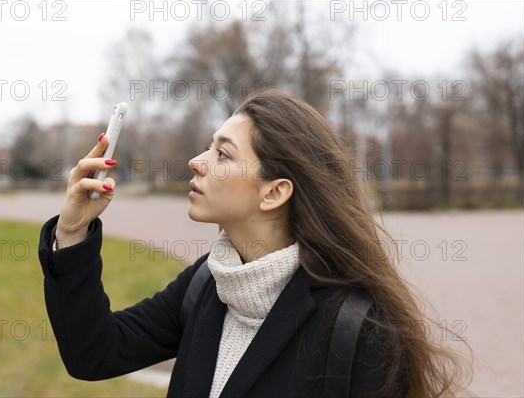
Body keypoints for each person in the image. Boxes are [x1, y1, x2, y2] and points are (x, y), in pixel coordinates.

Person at [38, 89, 468, 397]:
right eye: (209, 147)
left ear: (274, 192)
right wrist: (72, 233)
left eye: (222, 154)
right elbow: (94, 353)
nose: (196, 161)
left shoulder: (359, 330)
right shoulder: (208, 283)